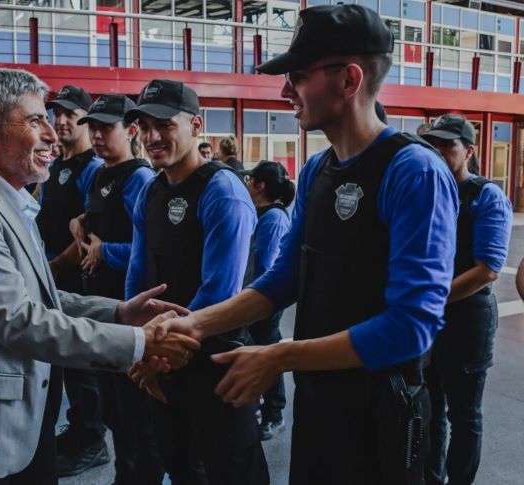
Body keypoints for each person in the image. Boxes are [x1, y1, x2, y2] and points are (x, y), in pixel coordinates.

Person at [143, 5, 459, 484]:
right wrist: (194, 323)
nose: (286, 90)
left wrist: (281, 356)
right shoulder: (316, 170)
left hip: (381, 411)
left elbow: (410, 327)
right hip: (321, 401)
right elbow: (284, 279)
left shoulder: (414, 171)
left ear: (349, 80)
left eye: (297, 75)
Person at [0, 67, 199, 485]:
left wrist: (120, 313)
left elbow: (39, 295)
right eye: (35, 120)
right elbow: (18, 320)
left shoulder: (6, 198)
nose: (53, 133)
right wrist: (140, 343)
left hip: (19, 426)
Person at [125, 79, 268, 484]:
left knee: (232, 472)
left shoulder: (222, 192)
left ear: (196, 126)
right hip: (164, 358)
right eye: (146, 126)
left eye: (165, 125)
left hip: (218, 363)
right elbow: (137, 277)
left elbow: (219, 293)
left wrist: (155, 357)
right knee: (182, 467)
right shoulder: (150, 192)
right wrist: (141, 348)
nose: (152, 137)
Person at [67, 94, 161, 485]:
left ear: (132, 131)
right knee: (113, 410)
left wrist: (107, 252)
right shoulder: (97, 173)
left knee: (136, 412)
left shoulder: (139, 177)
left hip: (126, 309)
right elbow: (97, 221)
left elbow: (148, 247)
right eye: (93, 128)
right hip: (100, 307)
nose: (98, 135)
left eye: (107, 128)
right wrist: (81, 222)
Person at [421, 115, 512, 485]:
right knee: (429, 409)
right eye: (433, 144)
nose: (439, 151)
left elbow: (487, 269)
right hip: (429, 316)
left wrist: (431, 300)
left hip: (468, 317)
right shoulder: (427, 191)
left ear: (469, 150)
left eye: (448, 145)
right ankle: (431, 478)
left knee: (464, 414)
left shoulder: (486, 195)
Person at [37, 84, 107, 476]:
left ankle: (93, 440)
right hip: (53, 277)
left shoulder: (91, 168)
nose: (61, 120)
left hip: (72, 279)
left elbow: (85, 239)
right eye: (56, 113)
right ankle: (79, 429)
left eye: (70, 114)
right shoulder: (56, 165)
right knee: (61, 360)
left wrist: (51, 268)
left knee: (82, 363)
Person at [240, 161, 295, 440]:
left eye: (250, 179)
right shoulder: (257, 213)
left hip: (265, 297)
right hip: (254, 295)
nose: (247, 183)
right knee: (258, 349)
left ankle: (275, 414)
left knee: (267, 350)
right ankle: (262, 407)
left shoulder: (273, 218)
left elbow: (264, 264)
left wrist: (250, 300)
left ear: (260, 185)